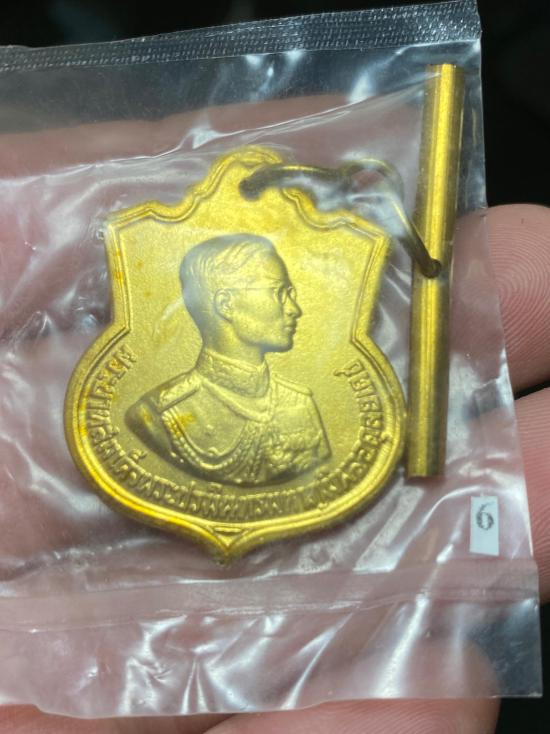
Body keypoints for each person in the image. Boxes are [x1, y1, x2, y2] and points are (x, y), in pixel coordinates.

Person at [126, 233, 330, 485]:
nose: (294, 309)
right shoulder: (156, 414)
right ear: (226, 304)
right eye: (278, 293)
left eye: (290, 293)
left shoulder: (300, 403)